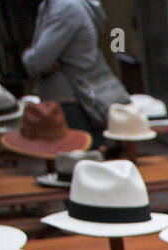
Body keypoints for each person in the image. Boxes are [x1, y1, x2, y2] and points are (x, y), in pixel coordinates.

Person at [22, 0, 129, 146]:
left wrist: (28, 58)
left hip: (71, 98)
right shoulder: (52, 5)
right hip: (72, 95)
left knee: (77, 157)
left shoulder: (66, 7)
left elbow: (38, 61)